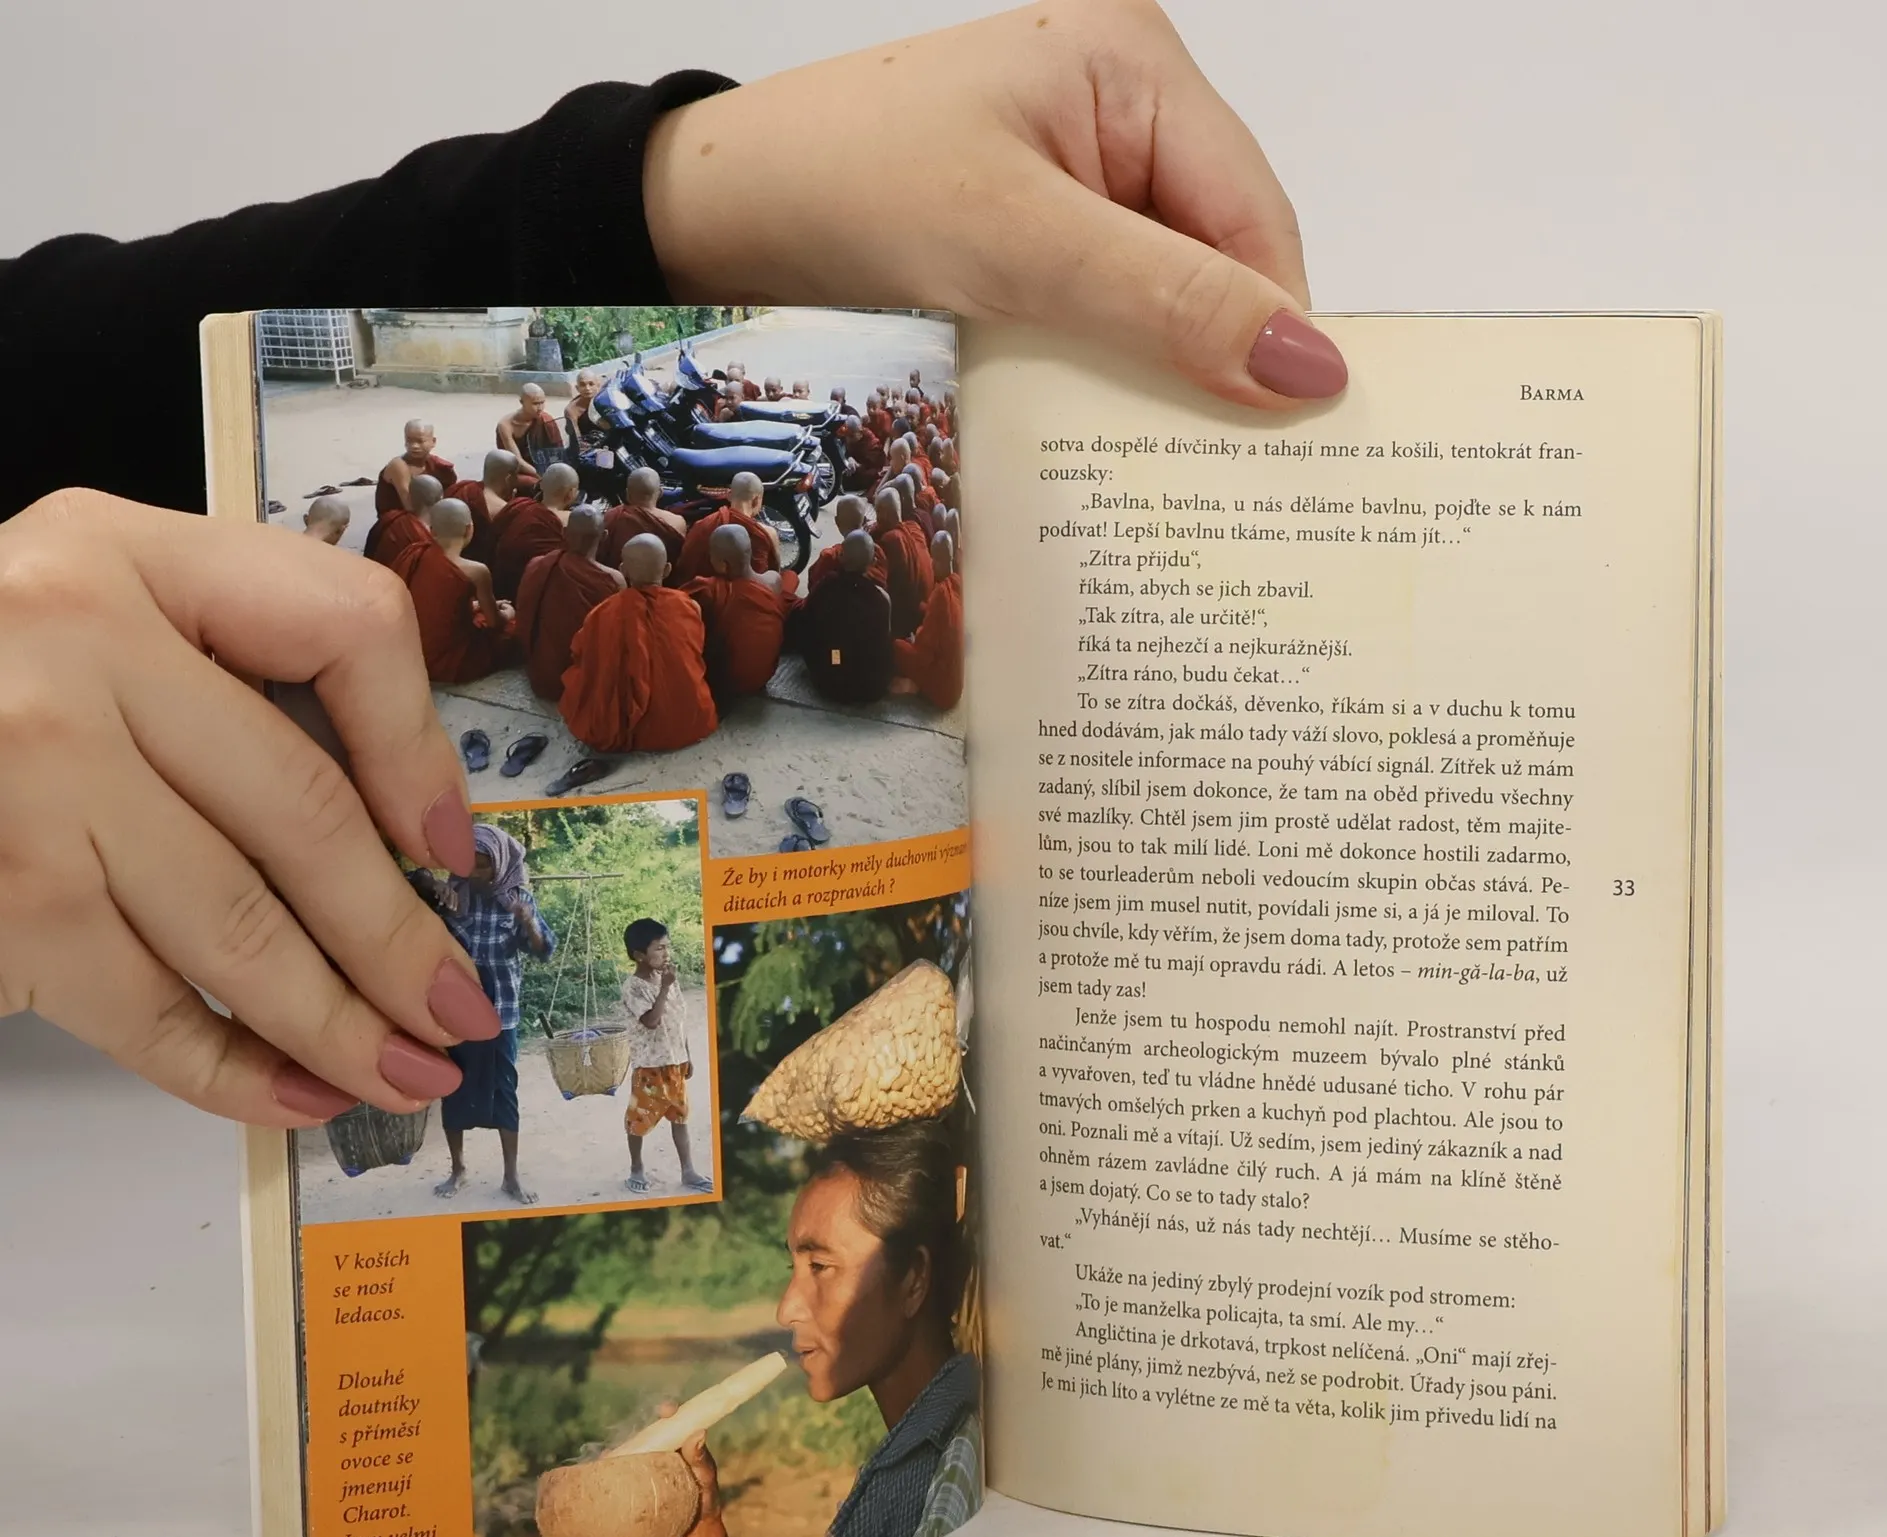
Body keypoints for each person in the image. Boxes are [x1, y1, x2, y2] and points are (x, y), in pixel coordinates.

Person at [0, 2, 1343, 1126]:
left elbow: (59, 365)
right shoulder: (737, 574)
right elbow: (699, 639)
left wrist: (677, 193)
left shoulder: (579, 561)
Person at [665, 1114, 980, 1537]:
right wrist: (698, 1531)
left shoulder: (948, 1472)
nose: (786, 1309)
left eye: (820, 1266)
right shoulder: (910, 1456)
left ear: (913, 1279)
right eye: (792, 1267)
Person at [431, 822, 553, 1205]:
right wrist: (433, 893)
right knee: (453, 1089)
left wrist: (527, 922)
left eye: (483, 865)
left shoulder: (518, 899)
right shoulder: (452, 894)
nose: (475, 873)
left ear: (500, 863)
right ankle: (458, 1169)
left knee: (505, 1092)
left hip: (501, 1013)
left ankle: (511, 1177)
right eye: (470, 863)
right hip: (457, 1013)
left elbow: (543, 951)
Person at [558, 533, 717, 753]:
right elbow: (696, 649)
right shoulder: (689, 606)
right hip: (687, 722)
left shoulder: (602, 613)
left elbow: (581, 653)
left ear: (623, 570)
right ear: (667, 570)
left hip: (623, 724)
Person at [618, 917, 710, 1195]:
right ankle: (636, 1168)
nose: (666, 953)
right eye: (659, 948)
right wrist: (665, 987)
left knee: (680, 1117)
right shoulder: (634, 987)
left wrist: (686, 1055)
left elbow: (678, 1020)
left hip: (674, 1063)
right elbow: (651, 1021)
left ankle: (688, 1170)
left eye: (667, 947)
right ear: (639, 955)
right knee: (638, 1120)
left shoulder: (667, 979)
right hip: (650, 1067)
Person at [390, 497, 515, 684]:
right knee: (512, 633)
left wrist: (476, 605)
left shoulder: (415, 554)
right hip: (449, 659)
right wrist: (508, 613)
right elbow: (494, 621)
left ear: (431, 531)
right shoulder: (477, 571)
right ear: (469, 529)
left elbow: (429, 602)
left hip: (411, 651)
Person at [518, 505, 622, 702]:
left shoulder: (538, 565)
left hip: (542, 674)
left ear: (564, 532)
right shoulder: (614, 580)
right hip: (584, 680)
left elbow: (524, 618)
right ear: (604, 536)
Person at [687, 521, 793, 703]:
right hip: (764, 675)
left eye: (711, 556)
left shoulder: (709, 589)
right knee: (791, 578)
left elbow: (675, 605)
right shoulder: (773, 581)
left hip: (724, 681)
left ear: (723, 565)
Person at [794, 529, 893, 704]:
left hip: (829, 676)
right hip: (867, 686)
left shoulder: (825, 587)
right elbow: (882, 647)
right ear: (873, 562)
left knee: (833, 649)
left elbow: (806, 624)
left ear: (840, 557)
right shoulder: (881, 599)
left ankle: (837, 664)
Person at [893, 528, 963, 710]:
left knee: (897, 646)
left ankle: (915, 687)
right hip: (957, 679)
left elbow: (923, 653)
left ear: (937, 560)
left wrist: (914, 639)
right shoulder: (958, 582)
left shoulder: (941, 595)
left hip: (943, 691)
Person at [489, 461, 578, 600]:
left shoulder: (518, 506)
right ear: (571, 494)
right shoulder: (569, 521)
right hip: (531, 594)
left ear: (541, 484)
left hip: (499, 587)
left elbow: (493, 539)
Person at [671, 471, 779, 584]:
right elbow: (774, 572)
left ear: (729, 495)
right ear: (756, 500)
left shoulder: (703, 524)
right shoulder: (767, 533)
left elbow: (685, 567)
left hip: (704, 590)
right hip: (749, 593)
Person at [446, 449, 522, 571]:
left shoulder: (462, 490)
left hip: (450, 560)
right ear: (508, 478)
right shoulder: (503, 508)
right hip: (482, 569)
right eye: (517, 475)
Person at [597, 465, 686, 568]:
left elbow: (600, 554)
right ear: (660, 493)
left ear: (627, 494)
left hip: (620, 574)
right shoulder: (677, 522)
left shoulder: (612, 515)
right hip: (659, 577)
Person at [873, 487, 932, 639]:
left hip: (907, 618)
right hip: (924, 602)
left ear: (884, 513)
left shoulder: (891, 540)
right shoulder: (914, 527)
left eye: (877, 511)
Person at [373, 420, 458, 519]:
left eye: (420, 441)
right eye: (409, 441)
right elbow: (410, 506)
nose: (414, 446)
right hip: (401, 521)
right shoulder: (398, 466)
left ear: (433, 441)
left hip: (430, 516)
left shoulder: (440, 466)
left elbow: (452, 497)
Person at [807, 494, 888, 589]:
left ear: (837, 522)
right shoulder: (877, 552)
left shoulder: (829, 557)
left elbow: (814, 586)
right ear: (864, 520)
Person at [364, 470, 442, 568]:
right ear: (441, 500)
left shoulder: (389, 518)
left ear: (409, 497)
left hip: (376, 572)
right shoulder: (425, 539)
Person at [496, 382, 564, 492]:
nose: (540, 408)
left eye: (542, 402)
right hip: (518, 470)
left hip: (544, 466)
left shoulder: (546, 420)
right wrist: (540, 475)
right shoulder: (506, 425)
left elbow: (558, 451)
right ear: (522, 402)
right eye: (535, 403)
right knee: (532, 483)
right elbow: (516, 461)